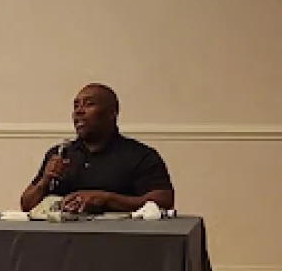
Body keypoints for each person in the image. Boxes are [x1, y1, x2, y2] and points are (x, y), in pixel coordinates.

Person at [20, 84, 175, 214]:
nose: (79, 111)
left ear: (111, 113)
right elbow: (26, 205)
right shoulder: (61, 153)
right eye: (76, 106)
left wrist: (106, 199)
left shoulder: (139, 155)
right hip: (62, 243)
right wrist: (45, 181)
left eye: (89, 104)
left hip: (118, 242)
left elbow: (164, 201)